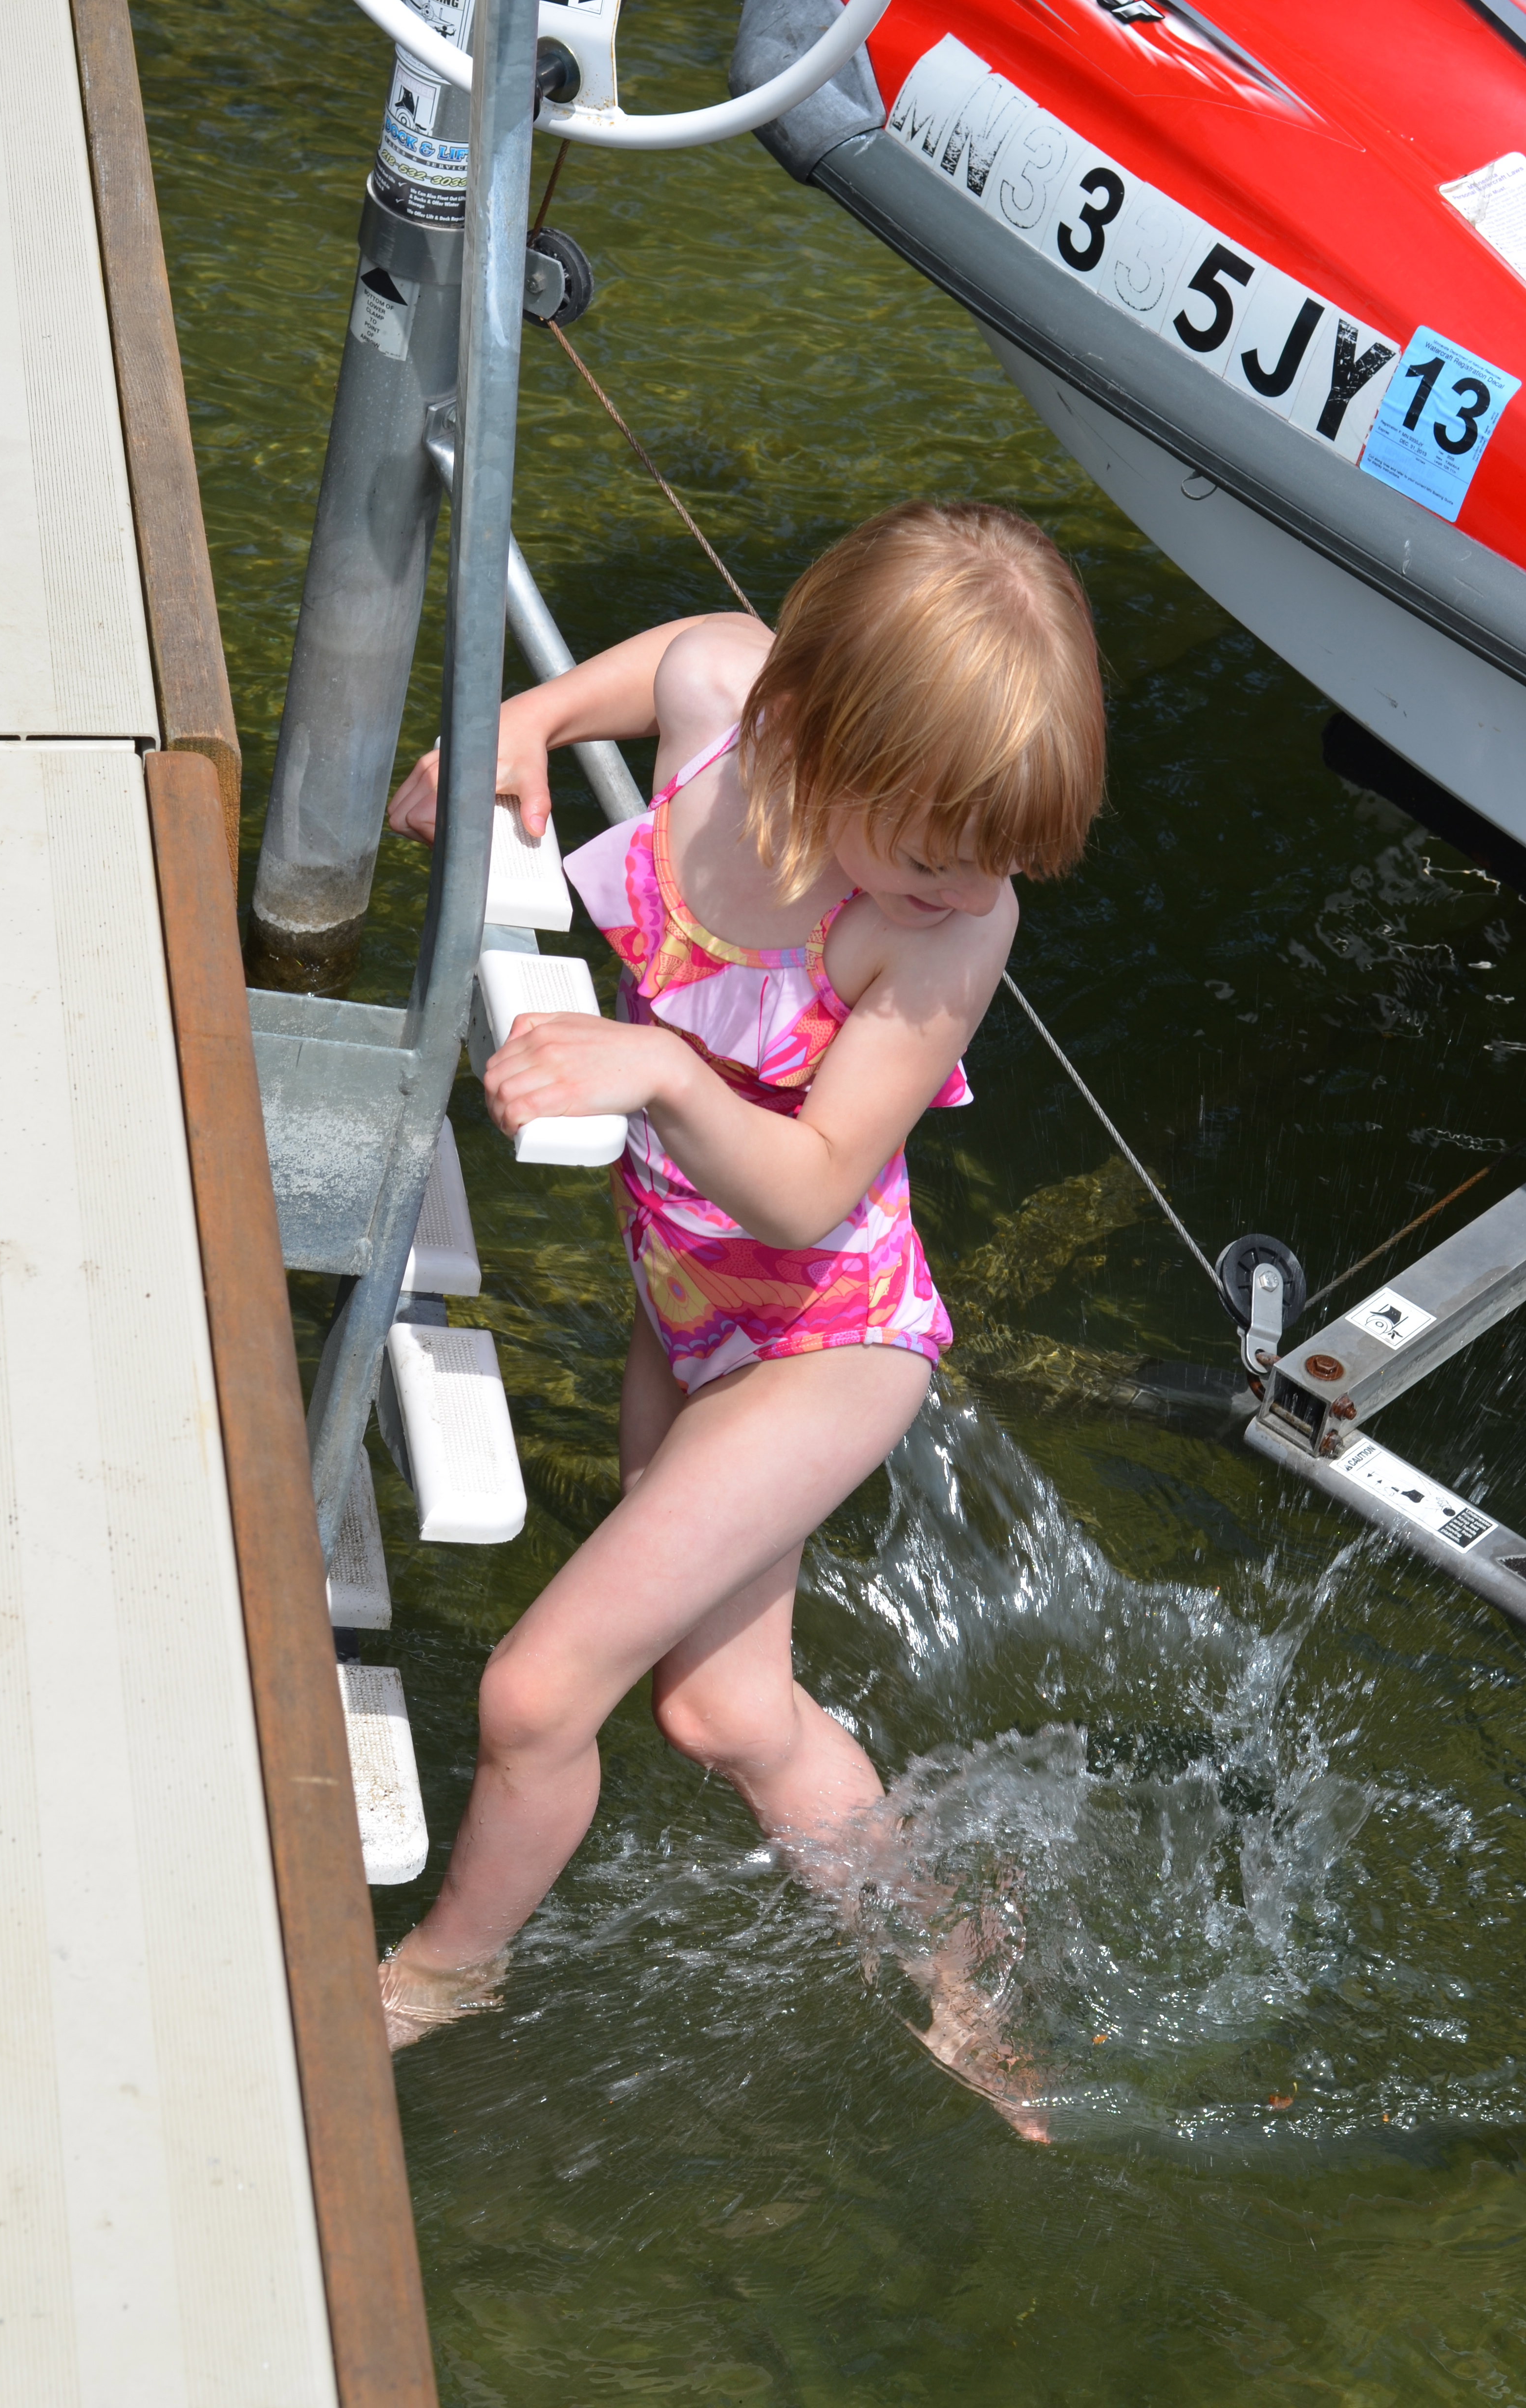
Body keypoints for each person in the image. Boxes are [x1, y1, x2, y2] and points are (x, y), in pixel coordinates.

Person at [379, 501, 1104, 2131]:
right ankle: (961, 1974)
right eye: (939, 847)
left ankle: (442, 1972)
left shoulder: (937, 932)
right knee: (722, 1710)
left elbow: (809, 1185)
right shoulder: (729, 698)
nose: (971, 888)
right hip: (686, 1308)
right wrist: (525, 722)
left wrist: (661, 1069)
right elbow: (664, 668)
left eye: (999, 857)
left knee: (534, 1695)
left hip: (823, 1344)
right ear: (814, 727)